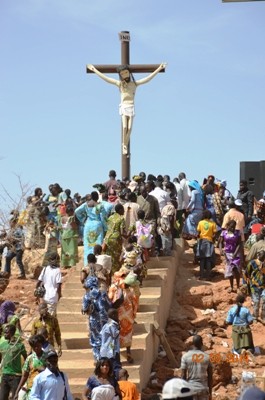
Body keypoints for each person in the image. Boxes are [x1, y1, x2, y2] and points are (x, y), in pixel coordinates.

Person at [87, 63, 166, 155]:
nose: (125, 75)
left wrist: (158, 68)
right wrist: (94, 70)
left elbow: (147, 78)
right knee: (124, 127)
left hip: (131, 107)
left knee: (130, 128)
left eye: (126, 72)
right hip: (124, 107)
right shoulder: (120, 84)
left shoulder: (134, 84)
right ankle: (124, 145)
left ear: (129, 73)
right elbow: (107, 79)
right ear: (120, 75)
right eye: (122, 74)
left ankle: (125, 143)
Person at [81, 276, 111, 360]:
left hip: (94, 321)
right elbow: (110, 305)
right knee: (104, 338)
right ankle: (105, 359)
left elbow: (84, 308)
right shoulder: (103, 293)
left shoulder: (87, 296)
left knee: (95, 340)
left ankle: (98, 360)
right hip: (104, 320)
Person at [75, 191, 107, 265]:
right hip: (97, 225)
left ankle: (87, 264)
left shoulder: (86, 204)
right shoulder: (99, 205)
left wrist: (83, 220)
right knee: (97, 245)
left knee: (88, 245)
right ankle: (97, 263)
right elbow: (103, 217)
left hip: (88, 225)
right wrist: (105, 228)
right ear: (98, 197)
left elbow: (77, 211)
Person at [14, 334, 46, 400]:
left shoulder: (48, 357)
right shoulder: (30, 358)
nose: (36, 348)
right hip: (32, 388)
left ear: (41, 344)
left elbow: (55, 371)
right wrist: (17, 391)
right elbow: (25, 375)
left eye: (38, 346)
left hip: (45, 388)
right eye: (34, 347)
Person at [180, 335, 213, 400]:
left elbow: (183, 375)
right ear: (202, 344)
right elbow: (210, 376)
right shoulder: (207, 357)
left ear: (192, 344)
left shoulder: (185, 356)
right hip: (203, 389)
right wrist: (210, 393)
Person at [0, 324, 27, 400]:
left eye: (6, 332)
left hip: (16, 376)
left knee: (15, 397)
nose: (4, 334)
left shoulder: (19, 345)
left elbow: (26, 358)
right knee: (2, 397)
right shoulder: (3, 345)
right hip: (5, 375)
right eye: (4, 332)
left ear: (12, 332)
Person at [35, 252, 62, 316]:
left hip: (44, 296)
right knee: (51, 317)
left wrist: (36, 294)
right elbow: (59, 286)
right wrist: (59, 295)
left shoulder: (45, 269)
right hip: (53, 297)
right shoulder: (57, 271)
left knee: (44, 315)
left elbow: (38, 282)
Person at [219, 220, 242, 293]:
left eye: (234, 227)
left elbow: (239, 244)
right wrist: (220, 250)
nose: (232, 228)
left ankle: (238, 287)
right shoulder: (224, 233)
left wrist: (235, 253)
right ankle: (231, 287)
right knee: (230, 270)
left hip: (235, 253)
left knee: (235, 269)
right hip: (227, 254)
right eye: (231, 227)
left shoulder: (237, 233)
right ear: (228, 226)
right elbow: (220, 242)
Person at [103, 204, 127, 274]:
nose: (124, 211)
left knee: (110, 256)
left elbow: (108, 228)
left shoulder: (110, 217)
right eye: (123, 209)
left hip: (108, 238)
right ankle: (116, 273)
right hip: (116, 239)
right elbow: (122, 232)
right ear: (119, 210)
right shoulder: (121, 218)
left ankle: (109, 272)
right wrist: (128, 235)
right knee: (117, 257)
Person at [244, 250, 265, 322]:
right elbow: (246, 273)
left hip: (264, 286)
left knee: (264, 301)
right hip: (254, 285)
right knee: (256, 301)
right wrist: (246, 283)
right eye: (261, 255)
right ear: (258, 255)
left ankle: (263, 317)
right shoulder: (252, 263)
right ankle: (255, 317)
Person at [100, 309, 121, 379]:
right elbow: (115, 334)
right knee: (116, 367)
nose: (118, 317)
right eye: (117, 315)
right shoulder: (111, 325)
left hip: (106, 350)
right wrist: (119, 328)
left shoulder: (106, 324)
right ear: (113, 315)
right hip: (111, 350)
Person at [196, 210, 217, 280]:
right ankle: (208, 276)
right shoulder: (213, 223)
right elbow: (214, 234)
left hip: (202, 241)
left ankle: (201, 275)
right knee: (208, 259)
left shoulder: (200, 223)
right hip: (209, 241)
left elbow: (198, 232)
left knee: (202, 259)